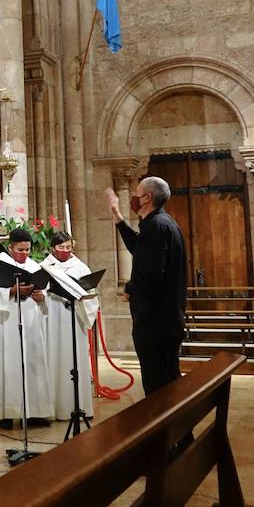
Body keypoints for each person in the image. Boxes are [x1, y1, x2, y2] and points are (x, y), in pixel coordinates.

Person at [105, 179, 187, 400]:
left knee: (158, 385)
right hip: (165, 319)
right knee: (166, 380)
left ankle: (165, 422)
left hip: (155, 321)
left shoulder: (156, 226)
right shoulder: (160, 223)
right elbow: (139, 249)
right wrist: (117, 215)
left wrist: (130, 289)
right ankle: (175, 421)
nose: (134, 195)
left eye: (137, 192)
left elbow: (152, 273)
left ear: (147, 197)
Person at [0, 229, 53, 429]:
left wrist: (41, 297)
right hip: (8, 322)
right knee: (9, 364)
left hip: (30, 321)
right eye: (20, 250)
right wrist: (12, 291)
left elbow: (44, 292)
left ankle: (35, 412)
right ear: (10, 247)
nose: (25, 254)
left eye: (28, 250)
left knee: (33, 362)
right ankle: (7, 413)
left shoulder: (33, 266)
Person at [41, 231, 98, 421]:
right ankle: (56, 408)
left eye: (68, 247)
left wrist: (81, 296)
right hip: (53, 317)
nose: (65, 251)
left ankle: (80, 406)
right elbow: (39, 291)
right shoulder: (45, 267)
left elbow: (91, 293)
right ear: (53, 248)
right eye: (61, 247)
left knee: (76, 359)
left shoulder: (80, 267)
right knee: (55, 358)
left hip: (75, 317)